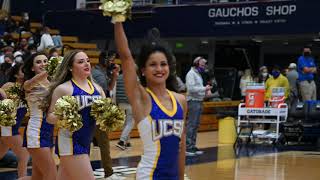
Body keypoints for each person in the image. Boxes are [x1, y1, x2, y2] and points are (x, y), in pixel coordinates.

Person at [114, 22, 187, 179]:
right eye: (153, 65)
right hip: (149, 175)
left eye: (163, 64)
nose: (159, 69)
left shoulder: (180, 100)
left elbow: (181, 148)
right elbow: (126, 57)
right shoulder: (141, 98)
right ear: (143, 71)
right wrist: (117, 19)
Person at [46, 50, 105, 180]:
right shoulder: (63, 89)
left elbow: (102, 118)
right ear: (70, 67)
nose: (86, 64)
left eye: (88, 61)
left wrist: (107, 117)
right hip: (70, 142)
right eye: (81, 61)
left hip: (86, 142)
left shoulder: (98, 89)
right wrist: (64, 114)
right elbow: (49, 118)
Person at [22, 52, 56, 180]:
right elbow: (35, 80)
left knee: (38, 177)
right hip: (36, 130)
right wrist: (51, 68)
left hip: (48, 131)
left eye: (46, 61)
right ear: (32, 68)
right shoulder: (29, 83)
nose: (43, 64)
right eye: (39, 62)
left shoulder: (54, 83)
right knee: (51, 174)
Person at [91, 51, 123, 179]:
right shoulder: (98, 74)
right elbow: (103, 93)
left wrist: (114, 75)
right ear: (104, 60)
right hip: (96, 112)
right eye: (110, 60)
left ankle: (108, 172)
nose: (113, 63)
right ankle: (108, 173)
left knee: (103, 143)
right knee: (103, 143)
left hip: (98, 111)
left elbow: (109, 88)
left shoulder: (103, 72)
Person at [0, 63, 30, 178]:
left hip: (13, 128)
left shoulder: (26, 89)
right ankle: (22, 178)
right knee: (24, 155)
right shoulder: (9, 85)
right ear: (16, 74)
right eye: (22, 70)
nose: (25, 72)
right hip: (8, 128)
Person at [185, 56, 212, 156]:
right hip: (193, 101)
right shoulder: (191, 74)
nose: (204, 67)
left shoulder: (198, 74)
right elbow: (191, 89)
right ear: (196, 64)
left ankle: (192, 146)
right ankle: (187, 147)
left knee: (196, 125)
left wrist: (206, 92)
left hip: (199, 101)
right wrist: (204, 89)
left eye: (204, 65)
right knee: (191, 125)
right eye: (202, 65)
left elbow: (198, 88)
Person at [115, 72, 134, 150]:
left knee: (126, 123)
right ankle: (121, 141)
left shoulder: (118, 77)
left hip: (120, 102)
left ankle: (127, 142)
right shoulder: (133, 77)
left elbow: (115, 89)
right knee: (130, 123)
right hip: (130, 102)